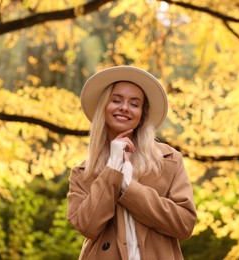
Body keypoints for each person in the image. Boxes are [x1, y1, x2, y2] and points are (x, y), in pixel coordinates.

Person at [67, 65, 197, 260]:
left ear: (142, 115)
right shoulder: (82, 173)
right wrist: (112, 167)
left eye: (134, 104)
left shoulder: (169, 160)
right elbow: (87, 226)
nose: (124, 108)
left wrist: (128, 188)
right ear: (104, 107)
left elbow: (184, 224)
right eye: (116, 100)